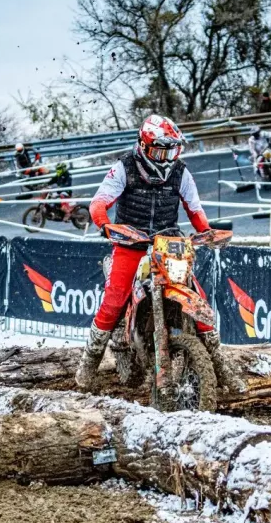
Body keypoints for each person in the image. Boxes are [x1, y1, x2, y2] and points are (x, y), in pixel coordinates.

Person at [77, 115, 235, 392]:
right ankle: (87, 367)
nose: (165, 158)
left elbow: (195, 210)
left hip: (168, 241)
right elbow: (98, 202)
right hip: (130, 240)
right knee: (114, 301)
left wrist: (207, 232)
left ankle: (221, 366)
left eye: (171, 150)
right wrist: (105, 225)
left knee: (197, 295)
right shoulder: (124, 167)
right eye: (160, 150)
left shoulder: (181, 172)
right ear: (144, 146)